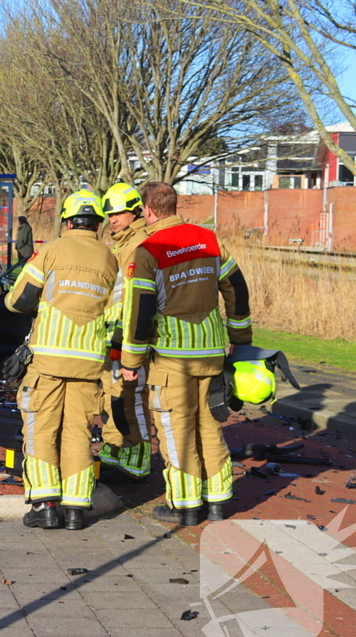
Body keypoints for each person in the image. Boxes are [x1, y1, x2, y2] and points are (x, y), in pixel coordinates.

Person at [120, 182, 252, 526]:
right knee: (208, 425)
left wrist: (131, 361)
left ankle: (185, 505)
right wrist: (240, 337)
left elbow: (140, 311)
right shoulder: (208, 240)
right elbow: (236, 288)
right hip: (211, 352)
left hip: (172, 358)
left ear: (148, 210)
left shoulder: (148, 250)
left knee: (176, 429)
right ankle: (218, 500)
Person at [5, 190, 118, 531]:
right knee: (78, 433)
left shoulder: (51, 251)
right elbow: (119, 312)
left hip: (49, 361)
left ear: (68, 222)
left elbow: (19, 301)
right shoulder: (110, 259)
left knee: (41, 429)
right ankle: (75, 509)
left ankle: (44, 506)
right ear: (97, 224)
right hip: (90, 363)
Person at [98, 182, 152, 482]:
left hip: (129, 336)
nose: (113, 220)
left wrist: (121, 336)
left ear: (135, 212)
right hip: (116, 334)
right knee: (113, 394)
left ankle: (139, 451)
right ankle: (116, 446)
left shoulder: (138, 244)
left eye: (118, 213)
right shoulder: (124, 242)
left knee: (130, 396)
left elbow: (135, 297)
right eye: (110, 215)